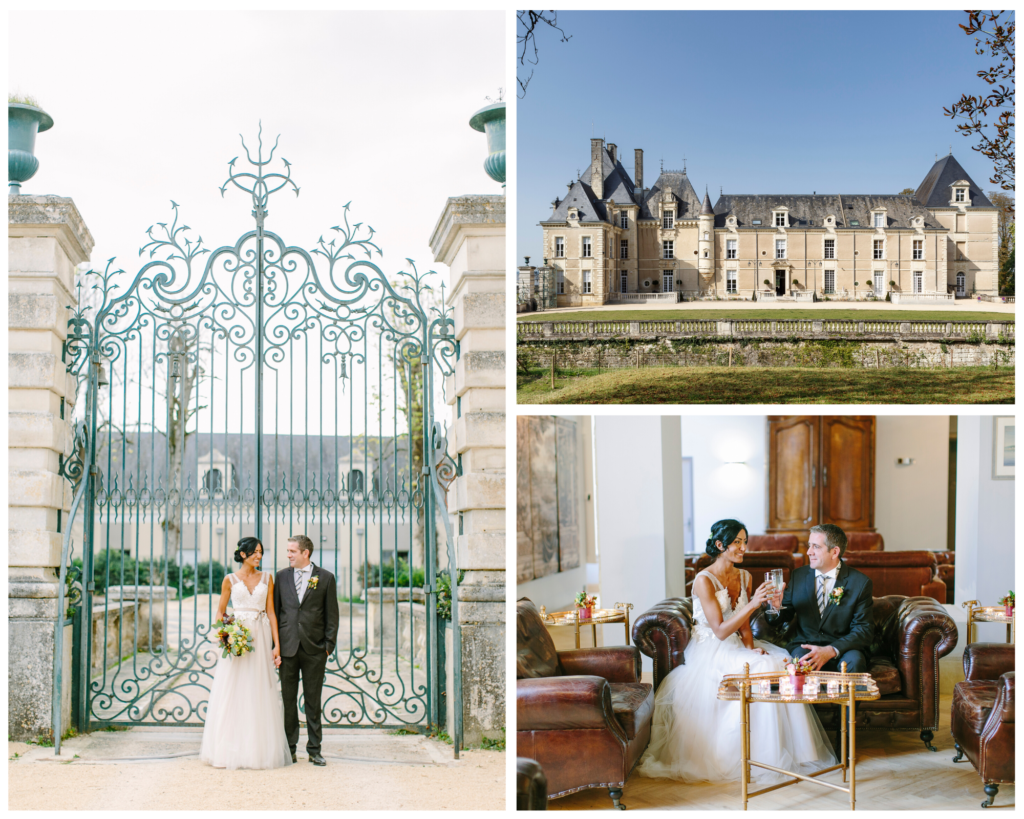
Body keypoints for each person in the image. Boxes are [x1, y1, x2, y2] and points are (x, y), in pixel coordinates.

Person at [636, 519, 835, 784]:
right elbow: (719, 630)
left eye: (744, 542)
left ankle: (792, 751)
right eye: (737, 542)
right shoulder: (703, 580)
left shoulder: (745, 576)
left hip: (737, 646)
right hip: (712, 648)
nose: (743, 548)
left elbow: (743, 628)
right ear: (720, 545)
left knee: (782, 661)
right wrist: (753, 604)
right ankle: (759, 758)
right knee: (763, 670)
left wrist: (752, 649)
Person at [199, 536, 292, 769]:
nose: (259, 556)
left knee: (258, 688)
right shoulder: (229, 580)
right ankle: (228, 747)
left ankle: (258, 750)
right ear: (243, 554)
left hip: (260, 638)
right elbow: (220, 613)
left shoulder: (267, 578)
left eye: (261, 552)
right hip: (237, 637)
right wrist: (226, 638)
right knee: (234, 688)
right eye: (255, 552)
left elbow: (271, 613)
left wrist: (276, 645)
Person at [767, 523, 874, 674]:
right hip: (806, 647)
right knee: (801, 664)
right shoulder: (798, 576)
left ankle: (848, 698)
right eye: (809, 546)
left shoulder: (860, 583)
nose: (809, 552)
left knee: (855, 662)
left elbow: (863, 629)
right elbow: (779, 619)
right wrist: (775, 607)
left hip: (844, 649)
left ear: (834, 552)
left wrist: (831, 650)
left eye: (816, 547)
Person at [274, 534, 340, 766]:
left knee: (313, 701)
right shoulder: (281, 577)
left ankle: (314, 749)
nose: (288, 555)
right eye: (288, 551)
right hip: (288, 648)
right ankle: (289, 748)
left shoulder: (326, 578)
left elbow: (332, 615)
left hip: (314, 650)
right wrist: (276, 647)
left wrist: (328, 647)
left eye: (292, 551)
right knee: (289, 701)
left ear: (305, 553)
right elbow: (276, 611)